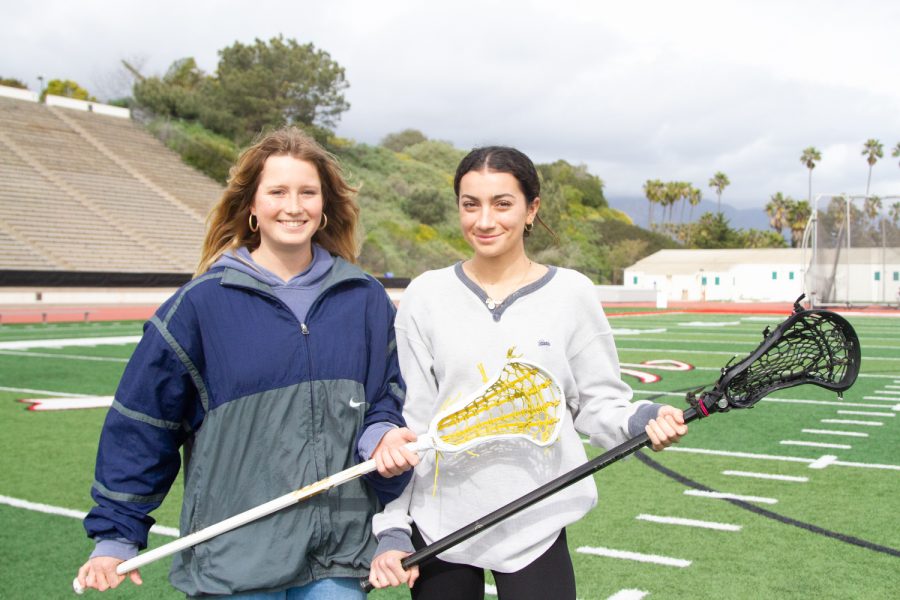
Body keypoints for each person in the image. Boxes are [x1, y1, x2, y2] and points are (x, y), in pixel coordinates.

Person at [76, 127, 419, 598]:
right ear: (252, 206)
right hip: (235, 556)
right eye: (277, 191)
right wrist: (116, 534)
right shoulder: (200, 306)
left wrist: (380, 432)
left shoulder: (364, 299)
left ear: (324, 207)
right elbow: (143, 421)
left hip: (336, 556)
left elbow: (389, 396)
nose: (293, 206)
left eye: (307, 192)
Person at [368, 146, 688, 599]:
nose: (484, 220)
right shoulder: (425, 296)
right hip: (440, 523)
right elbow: (412, 425)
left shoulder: (572, 293)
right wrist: (394, 527)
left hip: (535, 520)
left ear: (531, 208)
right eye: (470, 204)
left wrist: (640, 419)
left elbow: (598, 402)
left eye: (502, 203)